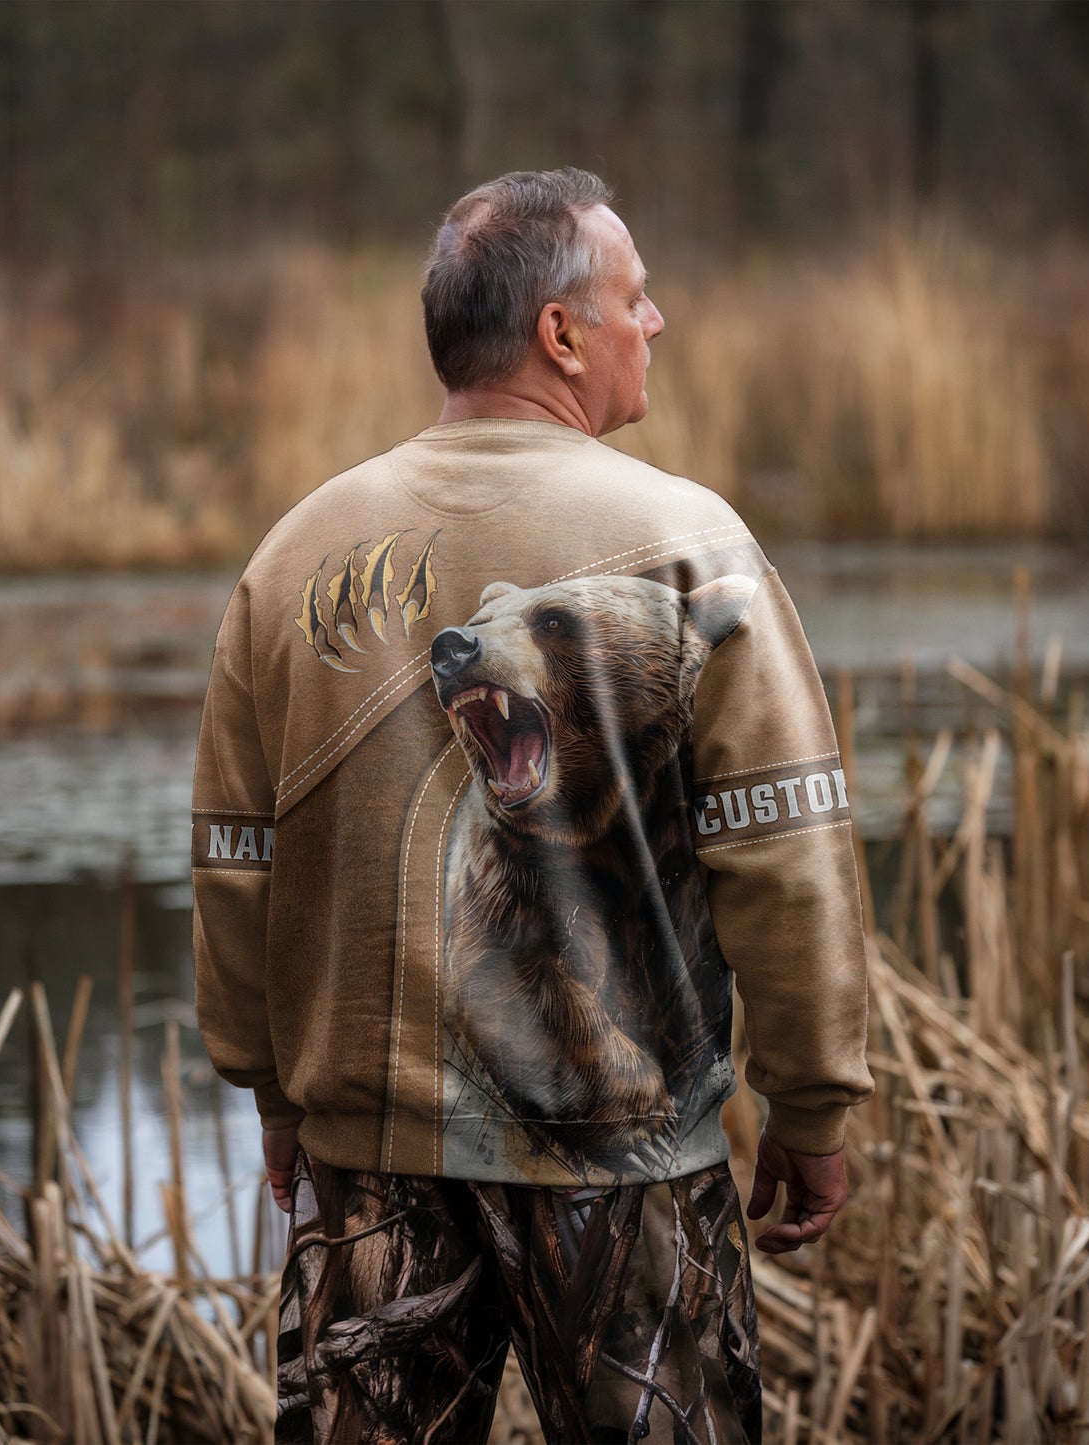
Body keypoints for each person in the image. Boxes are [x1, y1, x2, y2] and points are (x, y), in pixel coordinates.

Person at [193, 167, 873, 1443]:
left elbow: (237, 858)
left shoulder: (292, 552)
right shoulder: (689, 542)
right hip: (626, 1167)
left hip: (368, 1167)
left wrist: (274, 1090)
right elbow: (782, 850)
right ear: (561, 334)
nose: (654, 322)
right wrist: (812, 1099)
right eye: (635, 297)